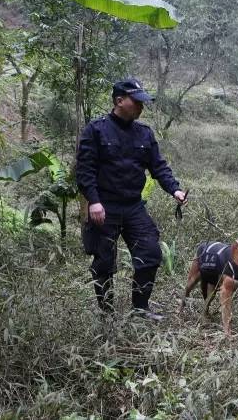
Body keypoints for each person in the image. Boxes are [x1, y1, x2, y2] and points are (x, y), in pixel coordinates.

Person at [76, 78, 186, 321]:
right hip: (104, 206)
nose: (140, 107)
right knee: (104, 262)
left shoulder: (144, 133)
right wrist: (93, 201)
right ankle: (107, 313)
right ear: (119, 101)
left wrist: (175, 190)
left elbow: (159, 167)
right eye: (136, 102)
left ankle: (140, 308)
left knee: (150, 254)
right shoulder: (96, 130)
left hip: (134, 206)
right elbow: (84, 170)